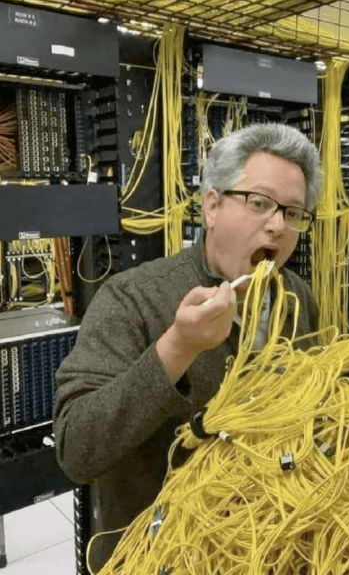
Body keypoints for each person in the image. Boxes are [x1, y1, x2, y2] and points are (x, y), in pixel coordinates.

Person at [53, 122, 322, 571]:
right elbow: (78, 449)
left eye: (293, 213)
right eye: (259, 204)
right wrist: (177, 348)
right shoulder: (132, 298)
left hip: (266, 545)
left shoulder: (296, 296)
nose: (277, 225)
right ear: (212, 206)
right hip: (162, 555)